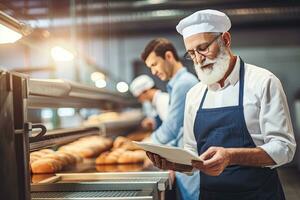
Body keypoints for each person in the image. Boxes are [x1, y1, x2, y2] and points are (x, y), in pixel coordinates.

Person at [146, 9, 297, 200]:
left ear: (225, 40)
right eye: (192, 53)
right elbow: (192, 153)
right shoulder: (195, 94)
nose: (199, 59)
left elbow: (284, 148)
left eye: (203, 48)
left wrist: (231, 156)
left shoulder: (263, 82)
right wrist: (175, 164)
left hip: (258, 194)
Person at [141, 38, 200, 200]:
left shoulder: (184, 84)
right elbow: (180, 128)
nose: (153, 72)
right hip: (185, 162)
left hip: (191, 165)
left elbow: (171, 128)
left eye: (154, 65)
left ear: (168, 56)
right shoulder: (177, 84)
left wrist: (143, 146)